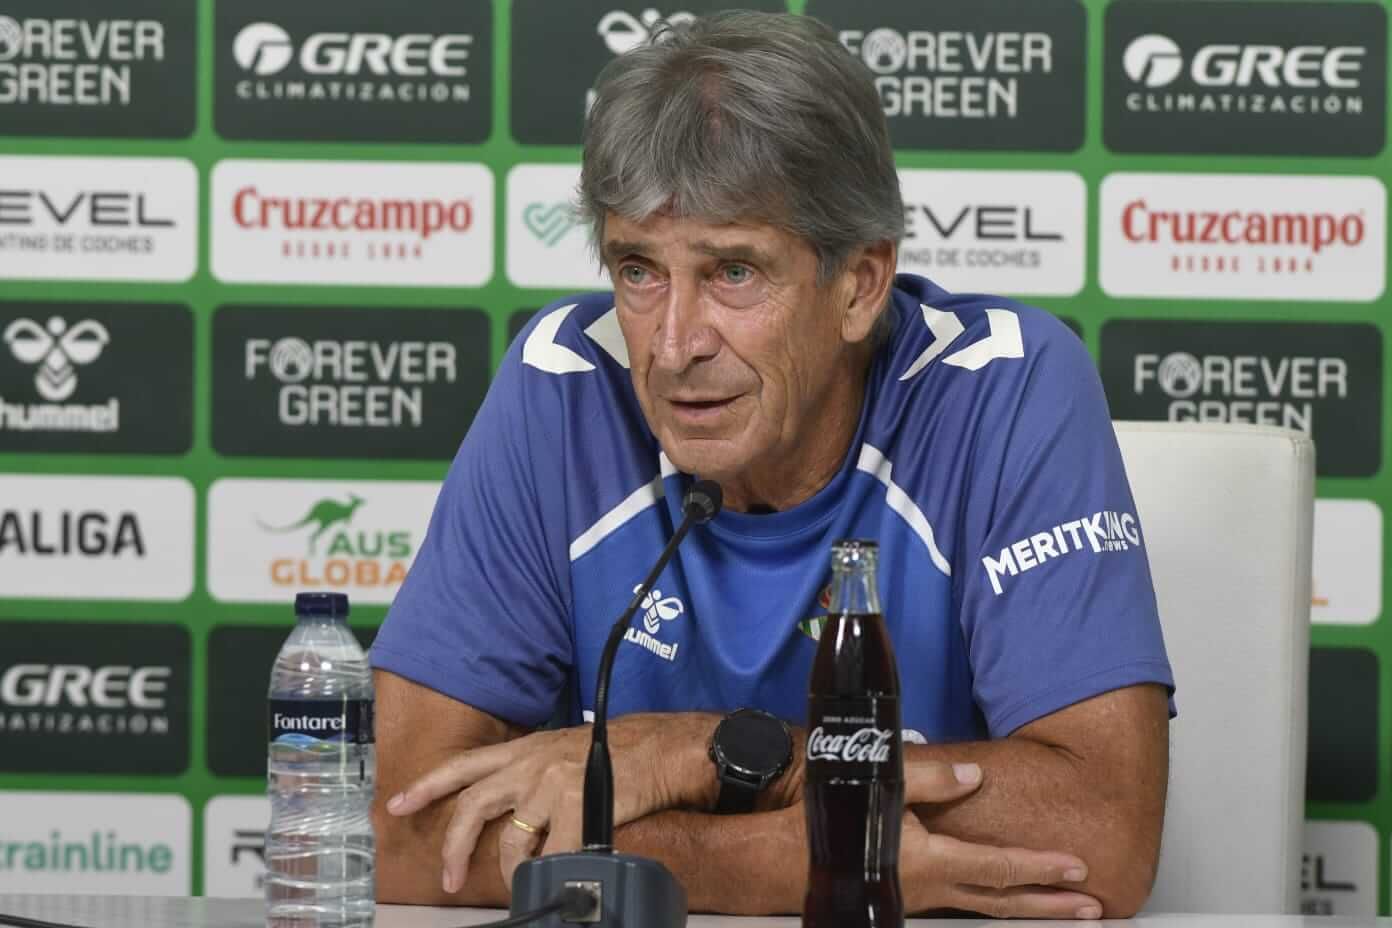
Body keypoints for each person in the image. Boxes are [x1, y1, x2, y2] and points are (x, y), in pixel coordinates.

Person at [369, 10, 1173, 919]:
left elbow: (1102, 832)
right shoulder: (564, 383)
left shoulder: (1004, 385)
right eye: (638, 270)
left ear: (860, 284)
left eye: (733, 273)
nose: (674, 346)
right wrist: (763, 859)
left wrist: (708, 751)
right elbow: (397, 832)